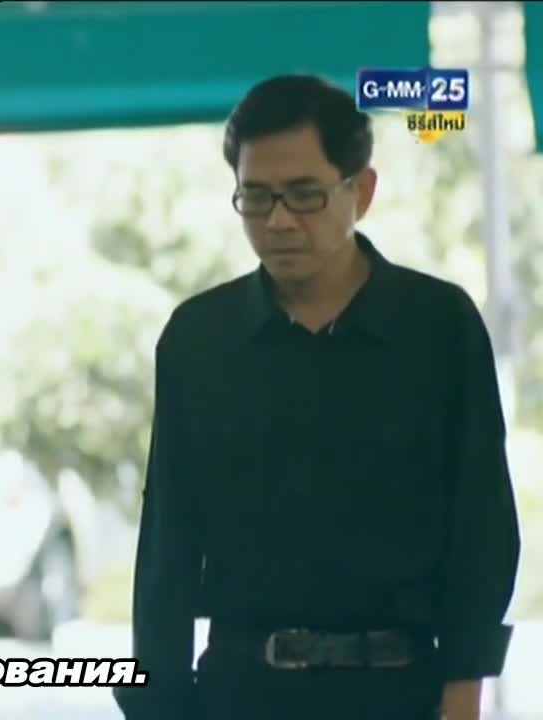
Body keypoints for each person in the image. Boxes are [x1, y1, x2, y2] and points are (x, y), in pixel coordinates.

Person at [115, 75, 521, 720]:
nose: (278, 220)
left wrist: (464, 687)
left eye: (304, 195)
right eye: (256, 197)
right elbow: (168, 539)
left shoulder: (438, 326)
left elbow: (482, 521)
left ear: (362, 191)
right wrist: (156, 704)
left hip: (399, 690)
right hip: (240, 690)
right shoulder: (200, 339)